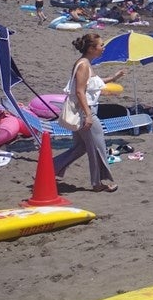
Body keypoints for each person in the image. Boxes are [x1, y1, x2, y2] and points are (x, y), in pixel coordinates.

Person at [53, 34, 126, 193]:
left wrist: (115, 77)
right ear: (92, 48)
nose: (103, 48)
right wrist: (88, 115)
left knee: (80, 147)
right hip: (86, 112)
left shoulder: (86, 64)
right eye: (101, 45)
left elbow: (93, 83)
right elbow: (80, 91)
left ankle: (50, 167)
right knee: (98, 148)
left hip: (84, 111)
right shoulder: (83, 65)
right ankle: (98, 182)